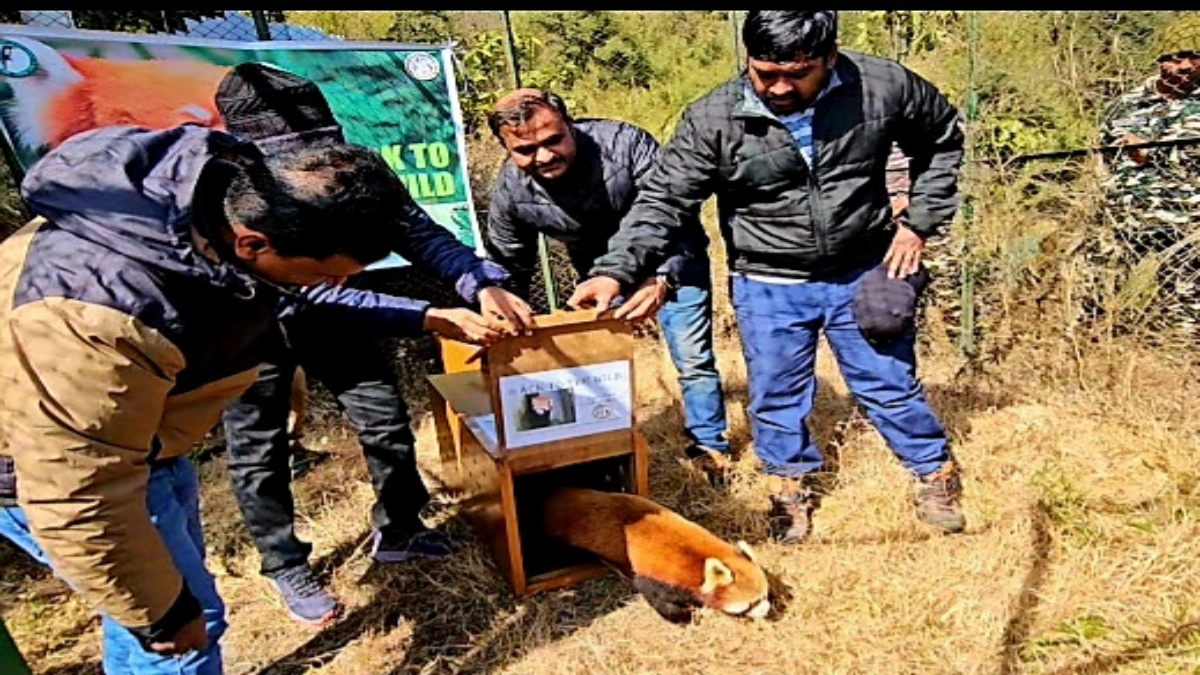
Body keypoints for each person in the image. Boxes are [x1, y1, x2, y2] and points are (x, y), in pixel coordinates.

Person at [0, 98, 514, 672]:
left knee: (162, 603)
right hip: (48, 468)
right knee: (180, 633)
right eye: (327, 271)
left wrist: (447, 301)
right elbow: (77, 493)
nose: (336, 285)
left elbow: (315, 286)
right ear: (252, 244)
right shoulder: (97, 312)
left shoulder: (229, 203)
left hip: (149, 445)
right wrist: (162, 616)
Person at [569, 10, 967, 543]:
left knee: (887, 383)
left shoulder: (882, 85)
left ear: (829, 57)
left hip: (863, 265)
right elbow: (665, 199)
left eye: (795, 74)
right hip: (769, 280)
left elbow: (942, 138)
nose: (778, 87)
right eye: (763, 73)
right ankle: (788, 488)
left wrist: (917, 224)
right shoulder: (713, 118)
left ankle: (933, 474)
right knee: (777, 394)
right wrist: (615, 271)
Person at [211, 63, 534, 627]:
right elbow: (304, 298)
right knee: (258, 445)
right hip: (250, 327)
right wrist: (432, 317)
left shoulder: (350, 172)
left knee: (383, 415)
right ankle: (284, 562)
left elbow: (420, 231)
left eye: (321, 150)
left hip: (334, 312)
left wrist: (479, 282)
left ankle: (401, 527)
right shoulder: (220, 193)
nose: (315, 169)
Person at [483, 88, 733, 481]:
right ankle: (603, 452)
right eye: (526, 150)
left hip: (673, 261)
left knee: (692, 359)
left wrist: (661, 279)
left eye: (553, 140)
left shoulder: (625, 144)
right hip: (597, 280)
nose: (544, 156)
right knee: (596, 367)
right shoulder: (510, 191)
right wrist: (502, 313)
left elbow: (678, 215)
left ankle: (710, 448)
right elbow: (508, 264)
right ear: (506, 147)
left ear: (571, 125)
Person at [1097, 16, 1200, 337]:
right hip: (1125, 221)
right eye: (1175, 57)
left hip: (1189, 226)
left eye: (1193, 56)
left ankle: (1179, 368)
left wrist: (1153, 152)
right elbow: (1099, 157)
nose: (1185, 65)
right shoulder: (1123, 106)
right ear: (1159, 60)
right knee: (1103, 295)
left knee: (1185, 311)